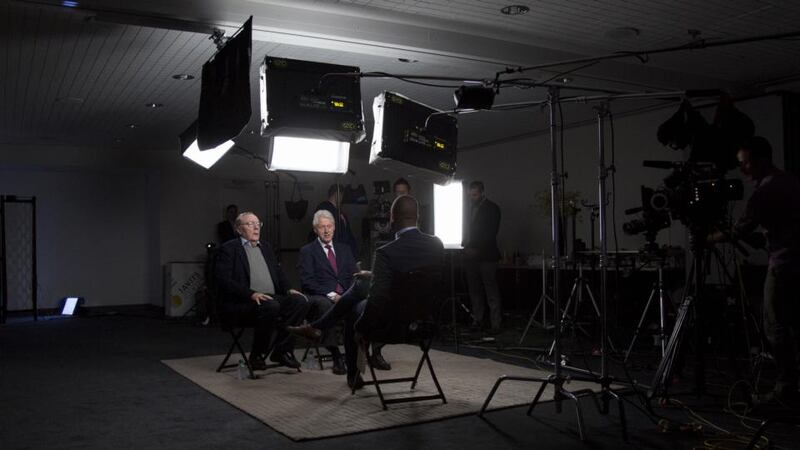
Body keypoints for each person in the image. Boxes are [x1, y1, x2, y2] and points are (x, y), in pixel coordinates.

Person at [288, 195, 444, 389]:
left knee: (354, 309)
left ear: (392, 218)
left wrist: (361, 328)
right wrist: (375, 275)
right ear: (418, 216)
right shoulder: (436, 245)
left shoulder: (387, 251)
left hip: (392, 326)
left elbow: (377, 300)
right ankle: (318, 328)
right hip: (425, 322)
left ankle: (350, 371)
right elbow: (421, 281)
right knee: (362, 283)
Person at [709, 136, 800, 403]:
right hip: (794, 261)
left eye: (745, 163)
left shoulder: (766, 190)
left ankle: (785, 387)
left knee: (775, 326)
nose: (742, 170)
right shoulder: (791, 181)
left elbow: (741, 228)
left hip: (784, 265)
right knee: (796, 325)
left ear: (760, 161)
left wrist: (708, 237)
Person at [215, 212, 310, 370]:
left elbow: (278, 273)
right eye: (250, 224)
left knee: (300, 301)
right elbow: (223, 280)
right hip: (244, 302)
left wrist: (288, 289)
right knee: (271, 306)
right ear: (239, 229)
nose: (256, 227)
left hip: (270, 298)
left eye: (258, 223)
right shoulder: (229, 249)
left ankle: (281, 350)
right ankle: (257, 355)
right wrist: (251, 294)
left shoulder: (266, 247)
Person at [297, 210, 356, 375]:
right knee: (325, 305)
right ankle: (337, 355)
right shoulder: (307, 251)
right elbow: (307, 282)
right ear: (315, 229)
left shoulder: (345, 249)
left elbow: (353, 276)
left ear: (334, 228)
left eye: (329, 226)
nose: (326, 230)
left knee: (364, 304)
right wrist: (332, 294)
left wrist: (348, 295)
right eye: (322, 227)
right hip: (321, 297)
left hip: (345, 296)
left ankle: (367, 354)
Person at [464, 180, 503, 333]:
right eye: (470, 195)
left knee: (490, 289)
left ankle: (495, 323)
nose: (472, 197)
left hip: (487, 256)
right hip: (471, 255)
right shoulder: (468, 208)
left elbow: (491, 233)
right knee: (474, 290)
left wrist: (475, 250)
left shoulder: (493, 208)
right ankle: (478, 320)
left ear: (482, 192)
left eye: (474, 194)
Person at [314, 184, 358, 255]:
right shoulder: (326, 209)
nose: (342, 199)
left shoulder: (337, 211)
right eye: (342, 196)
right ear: (337, 194)